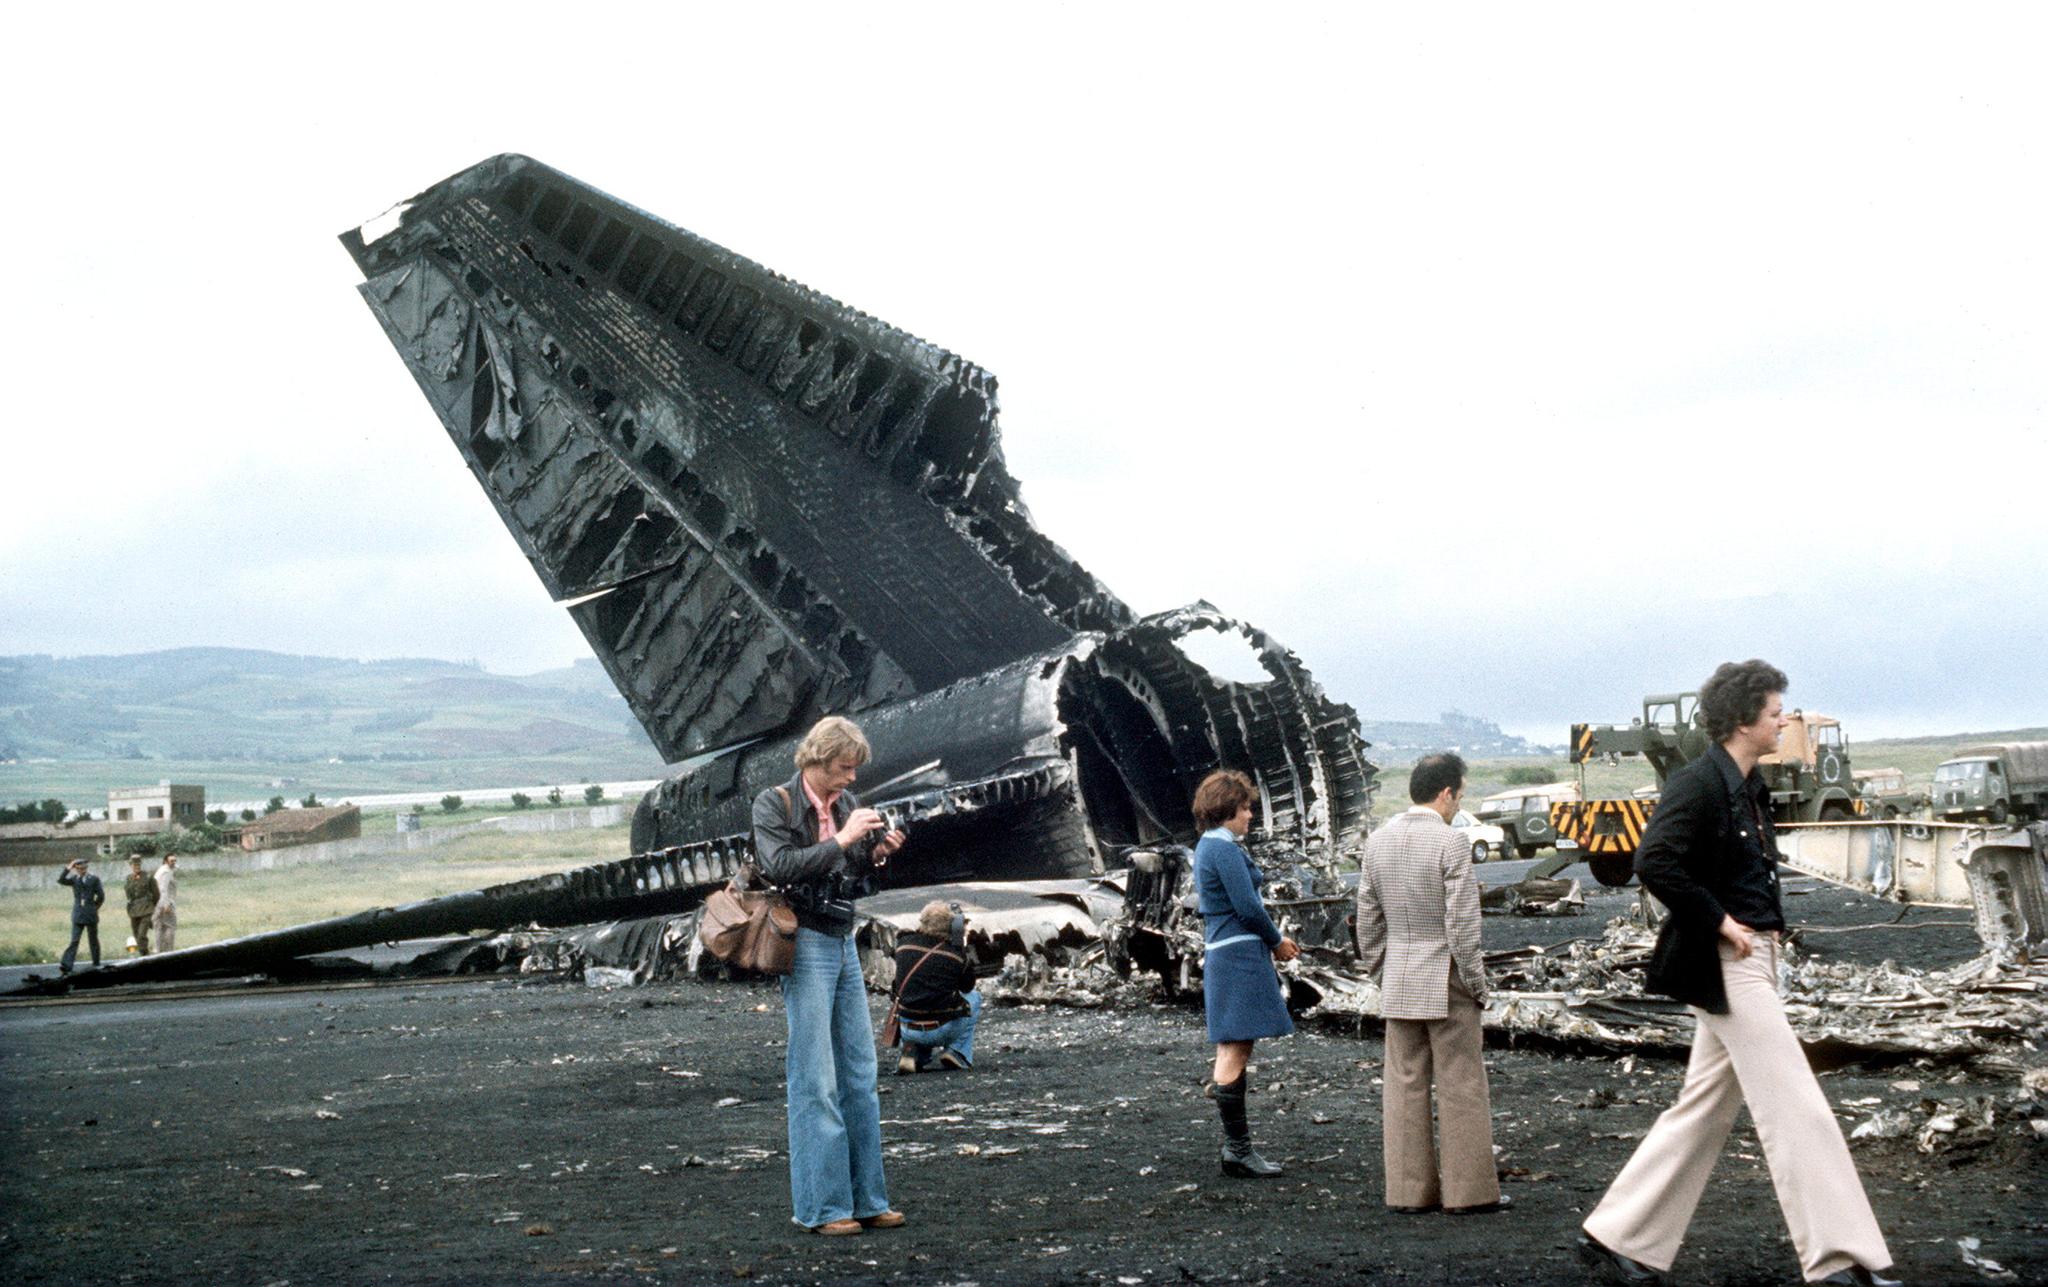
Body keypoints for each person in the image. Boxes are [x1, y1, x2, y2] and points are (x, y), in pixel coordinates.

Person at [1577, 661, 1898, 1287]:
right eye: (1777, 712)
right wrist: (1721, 922)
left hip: (1754, 960)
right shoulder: (1698, 783)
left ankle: (1614, 1235)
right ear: (1746, 719)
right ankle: (1839, 1259)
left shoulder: (1747, 785)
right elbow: (1656, 862)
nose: (1785, 721)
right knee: (1798, 1108)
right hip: (1728, 966)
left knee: (1702, 1109)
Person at [752, 715, 907, 1237]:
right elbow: (780, 866)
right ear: (817, 760)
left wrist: (876, 854)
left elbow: (849, 871)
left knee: (860, 1075)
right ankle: (823, 1208)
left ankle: (868, 1200)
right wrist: (844, 840)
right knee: (815, 1076)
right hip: (806, 945)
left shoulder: (843, 806)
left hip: (843, 937)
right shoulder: (775, 803)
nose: (850, 780)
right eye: (844, 768)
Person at [1354, 752, 1505, 1215]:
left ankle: (1407, 1192)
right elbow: (1463, 928)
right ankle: (1468, 1193)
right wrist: (1477, 985)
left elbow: (1367, 920)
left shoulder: (1377, 842)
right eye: (1459, 795)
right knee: (1461, 1084)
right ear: (1446, 793)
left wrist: (1383, 969)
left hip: (1400, 976)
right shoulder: (1452, 843)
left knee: (1403, 1085)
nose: (1460, 804)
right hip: (1447, 977)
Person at [1191, 768, 1299, 1179]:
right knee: (1234, 1048)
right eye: (1245, 808)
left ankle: (1237, 1148)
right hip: (1237, 956)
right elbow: (1248, 907)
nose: (1250, 815)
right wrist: (1277, 941)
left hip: (1230, 952)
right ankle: (1237, 1149)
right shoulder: (1221, 848)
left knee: (1234, 1047)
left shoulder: (1213, 846)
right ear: (1227, 809)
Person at [890, 901, 980, 1074]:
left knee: (915, 995)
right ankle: (957, 1051)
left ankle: (913, 1052)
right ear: (952, 927)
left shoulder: (903, 945)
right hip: (940, 1029)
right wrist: (959, 946)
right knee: (974, 998)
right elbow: (967, 987)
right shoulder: (956, 955)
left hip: (907, 1028)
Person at [57, 857, 105, 974]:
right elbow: (61, 880)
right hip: (78, 914)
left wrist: (94, 907)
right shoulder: (74, 879)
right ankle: (67, 965)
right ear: (76, 869)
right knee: (74, 940)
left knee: (93, 940)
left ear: (86, 868)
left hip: (90, 914)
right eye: (78, 869)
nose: (81, 871)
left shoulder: (93, 879)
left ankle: (96, 963)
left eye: (83, 868)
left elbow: (101, 896)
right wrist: (68, 867)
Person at [125, 855, 159, 956]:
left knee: (141, 935)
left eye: (138, 865)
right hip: (134, 911)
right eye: (134, 865)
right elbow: (129, 895)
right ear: (130, 865)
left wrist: (152, 906)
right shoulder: (129, 878)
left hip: (146, 909)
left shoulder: (148, 877)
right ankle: (143, 955)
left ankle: (145, 956)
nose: (137, 867)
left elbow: (156, 894)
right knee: (136, 936)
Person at [152, 854, 179, 953]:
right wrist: (166, 904)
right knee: (170, 927)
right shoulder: (166, 872)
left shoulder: (162, 870)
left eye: (175, 860)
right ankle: (169, 952)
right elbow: (162, 889)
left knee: (159, 928)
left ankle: (158, 951)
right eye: (172, 861)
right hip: (164, 903)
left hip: (157, 903)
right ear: (165, 861)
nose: (174, 863)